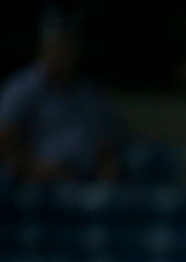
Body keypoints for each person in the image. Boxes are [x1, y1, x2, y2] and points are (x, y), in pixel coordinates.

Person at [0, 19, 121, 184]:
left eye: (68, 47)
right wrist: (30, 167)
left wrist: (107, 171)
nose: (63, 53)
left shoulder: (86, 89)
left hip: (85, 175)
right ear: (44, 50)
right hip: (39, 180)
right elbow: (5, 138)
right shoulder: (22, 87)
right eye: (57, 47)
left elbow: (105, 140)